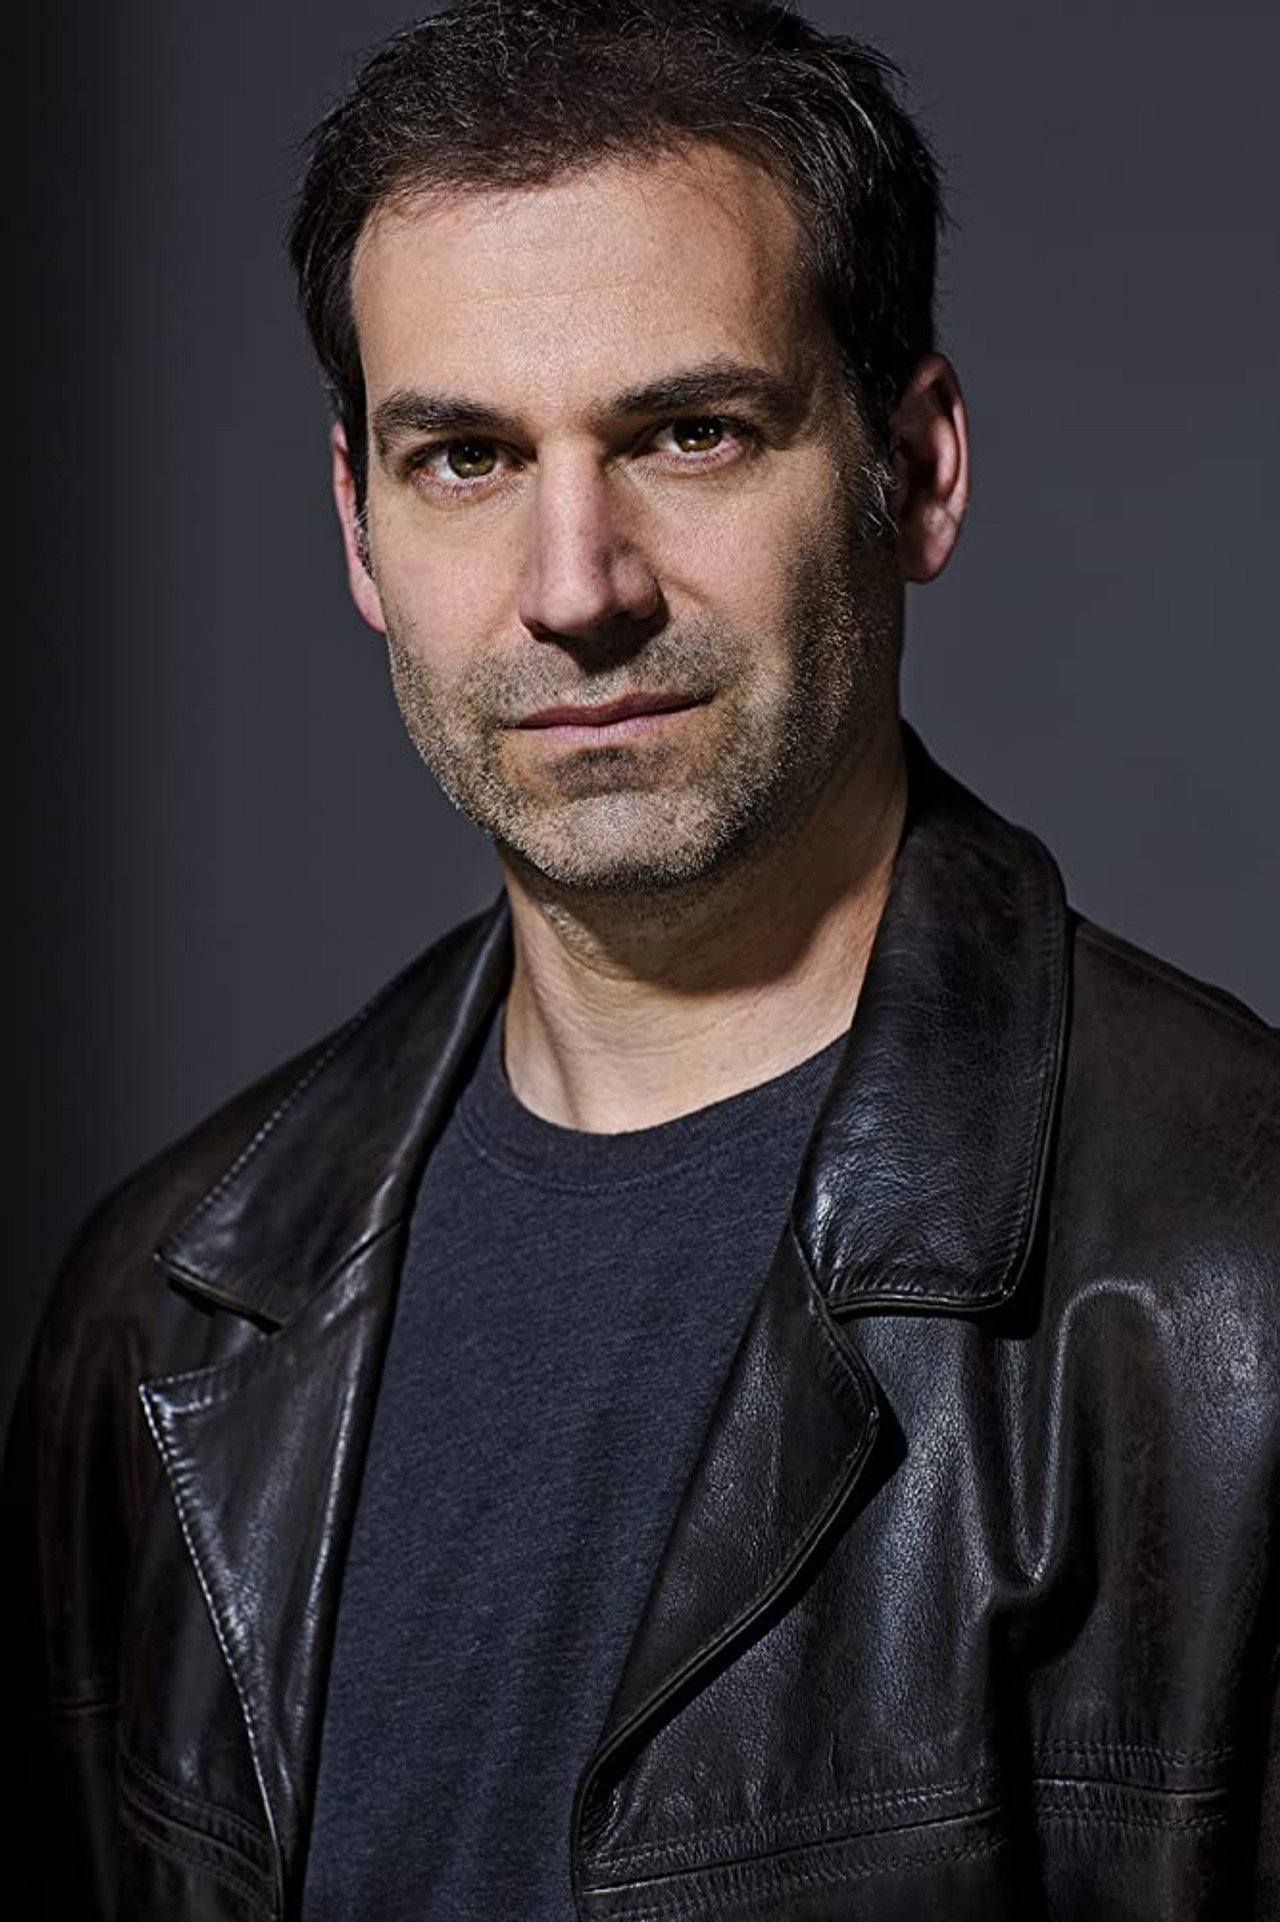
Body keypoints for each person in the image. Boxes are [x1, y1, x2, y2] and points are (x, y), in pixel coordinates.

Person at [4, 0, 1277, 1916]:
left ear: (917, 469)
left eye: (690, 433)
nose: (575, 585)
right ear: (358, 529)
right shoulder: (168, 1310)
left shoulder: (1233, 1286)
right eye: (465, 458)